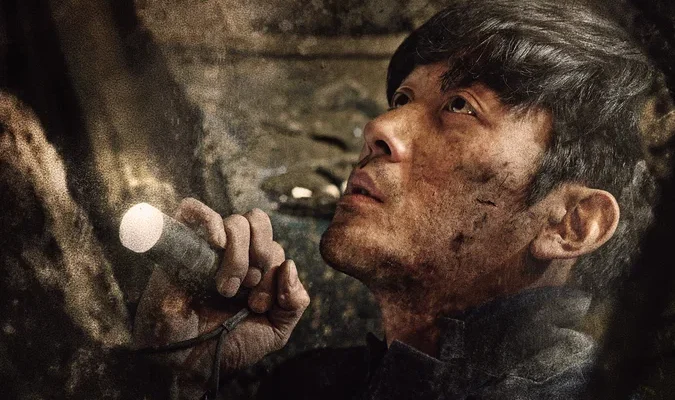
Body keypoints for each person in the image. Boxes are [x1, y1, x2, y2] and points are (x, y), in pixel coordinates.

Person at [133, 0, 658, 398]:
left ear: (572, 225)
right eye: (403, 98)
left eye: (460, 105)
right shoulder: (310, 384)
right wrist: (179, 371)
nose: (379, 127)